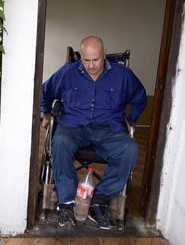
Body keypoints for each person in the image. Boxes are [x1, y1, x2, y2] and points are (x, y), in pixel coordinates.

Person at [41, 35, 146, 230]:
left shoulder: (122, 75)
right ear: (81, 57)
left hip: (108, 129)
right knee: (60, 141)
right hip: (74, 127)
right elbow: (45, 90)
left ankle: (100, 200)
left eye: (95, 60)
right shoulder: (68, 72)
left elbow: (140, 97)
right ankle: (66, 202)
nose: (91, 65)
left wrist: (132, 120)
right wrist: (45, 113)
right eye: (86, 60)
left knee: (129, 148)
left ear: (104, 55)